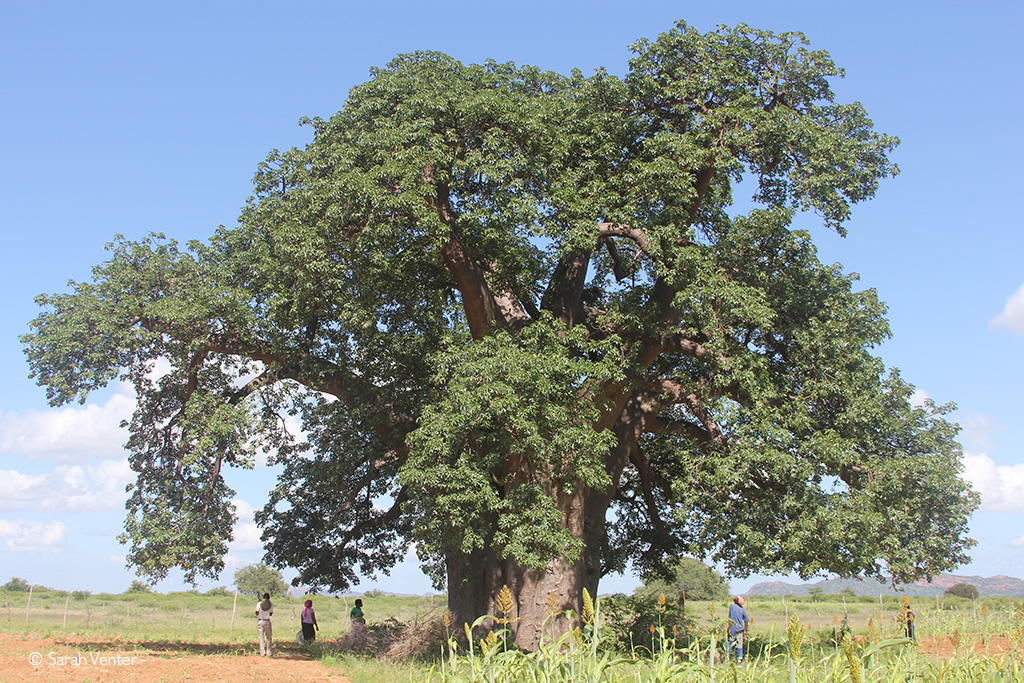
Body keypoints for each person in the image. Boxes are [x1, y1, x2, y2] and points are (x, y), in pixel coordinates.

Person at [727, 595, 750, 663]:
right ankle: (739, 661)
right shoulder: (742, 609)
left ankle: (726, 660)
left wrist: (729, 628)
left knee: (729, 645)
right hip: (740, 630)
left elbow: (730, 618)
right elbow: (747, 620)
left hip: (733, 629)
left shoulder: (732, 607)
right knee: (739, 645)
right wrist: (745, 631)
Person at [255, 593, 274, 657]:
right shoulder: (270, 604)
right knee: (269, 637)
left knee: (261, 637)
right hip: (267, 621)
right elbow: (271, 613)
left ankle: (262, 652)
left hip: (260, 621)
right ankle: (269, 651)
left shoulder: (259, 604)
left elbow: (257, 612)